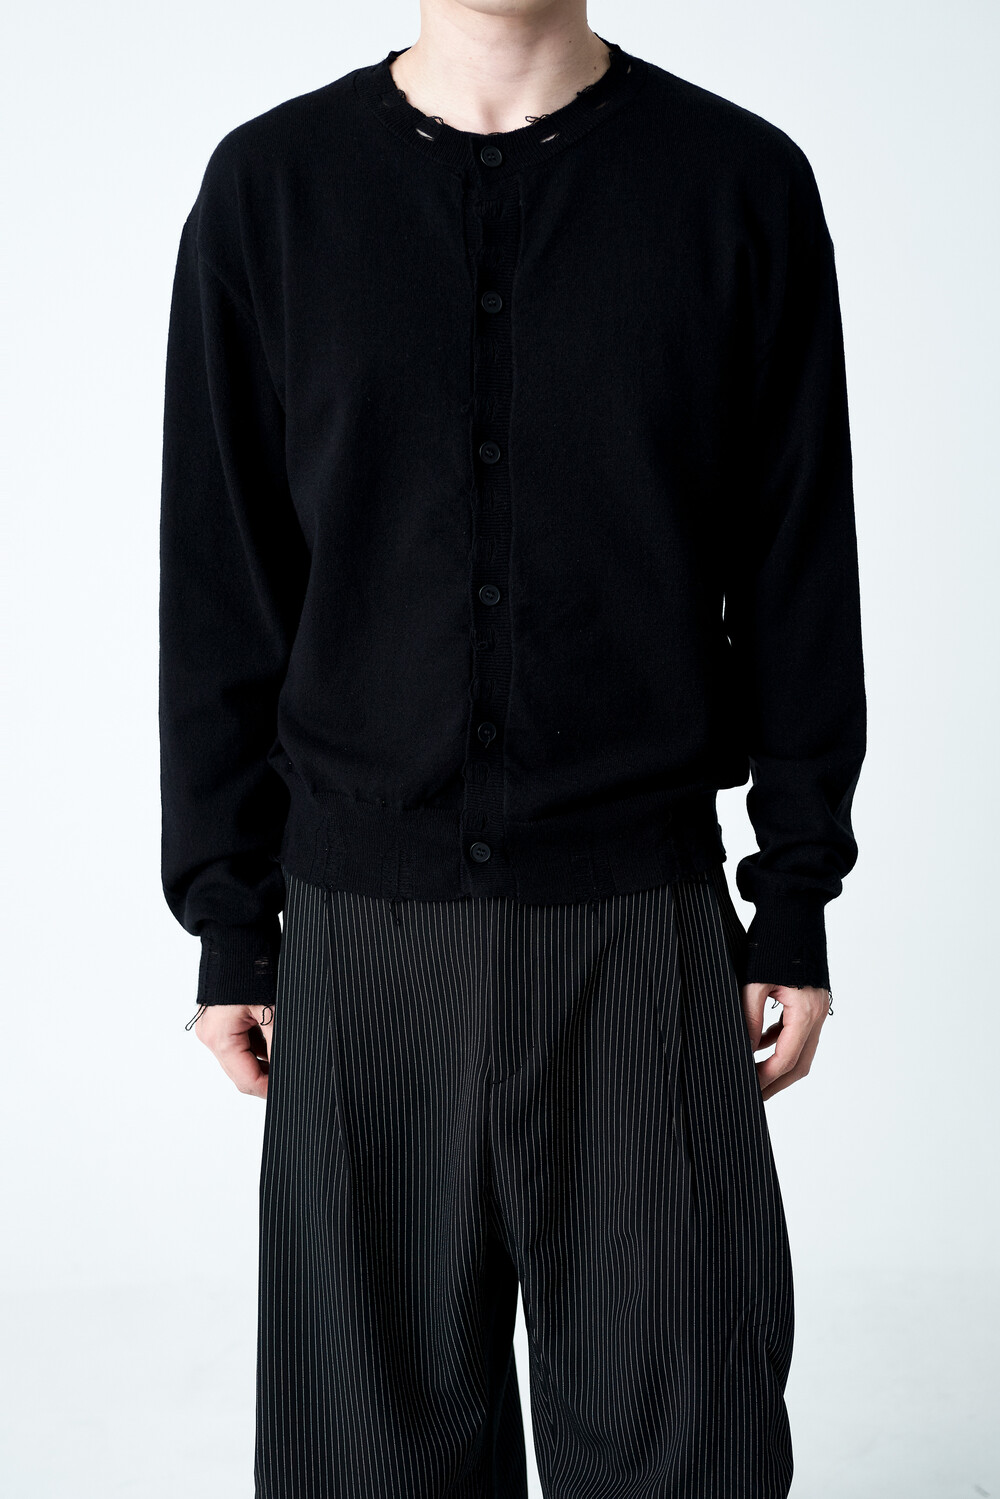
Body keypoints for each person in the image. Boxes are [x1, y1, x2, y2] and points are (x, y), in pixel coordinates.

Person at [158, 2, 866, 1494]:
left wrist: (795, 893)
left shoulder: (737, 184)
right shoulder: (271, 192)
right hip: (361, 939)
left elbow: (799, 567)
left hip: (644, 931)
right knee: (368, 1466)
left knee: (688, 1452)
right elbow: (225, 586)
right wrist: (232, 920)